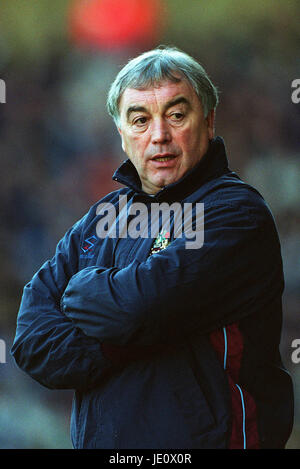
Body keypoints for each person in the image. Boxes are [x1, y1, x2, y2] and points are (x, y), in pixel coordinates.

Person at [11, 46, 294, 449]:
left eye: (177, 115)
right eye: (140, 120)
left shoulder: (236, 213)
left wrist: (89, 298)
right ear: (122, 135)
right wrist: (132, 330)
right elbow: (32, 340)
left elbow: (141, 307)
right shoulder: (100, 218)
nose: (159, 135)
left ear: (209, 121)